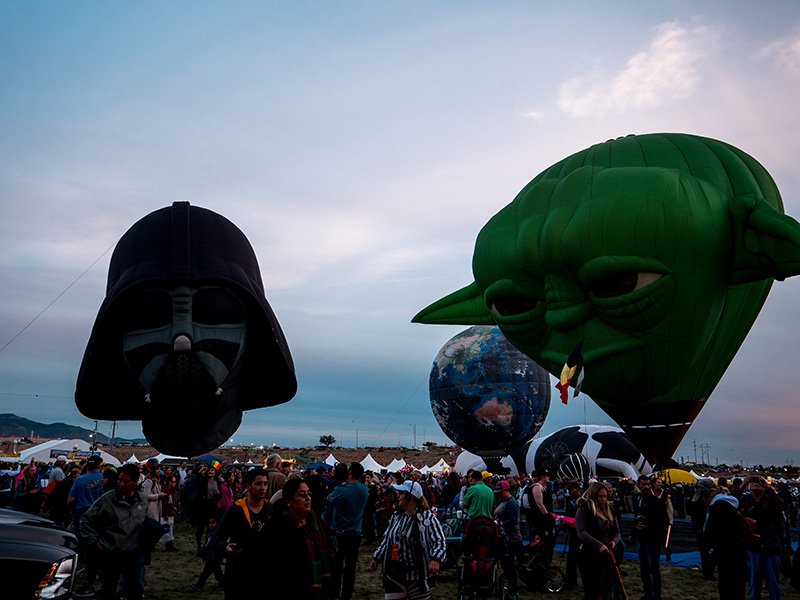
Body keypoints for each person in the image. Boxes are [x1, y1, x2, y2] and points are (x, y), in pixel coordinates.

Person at [80, 463, 147, 600]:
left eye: (126, 481)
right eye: (119, 480)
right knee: (108, 591)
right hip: (111, 553)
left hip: (133, 553)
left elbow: (144, 520)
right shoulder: (107, 499)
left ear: (135, 482)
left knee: (136, 590)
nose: (121, 484)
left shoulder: (142, 500)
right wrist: (95, 542)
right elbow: (85, 521)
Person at [371, 480, 447, 600]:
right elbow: (387, 539)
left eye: (401, 493)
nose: (397, 495)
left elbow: (440, 540)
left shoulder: (428, 518)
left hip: (418, 576)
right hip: (395, 573)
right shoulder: (396, 517)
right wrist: (377, 557)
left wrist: (435, 559)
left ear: (409, 496)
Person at [266, 478, 333, 599]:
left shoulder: (317, 521)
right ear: (288, 501)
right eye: (302, 495)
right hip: (292, 589)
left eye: (309, 494)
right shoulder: (278, 526)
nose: (307, 498)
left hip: (318, 586)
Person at [213, 467, 271, 599]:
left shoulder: (270, 509)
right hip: (239, 572)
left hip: (264, 572)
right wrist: (225, 547)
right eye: (258, 484)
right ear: (248, 486)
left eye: (265, 484)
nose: (262, 488)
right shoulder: (236, 509)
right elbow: (217, 536)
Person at [326, 462, 369, 600]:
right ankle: (347, 594)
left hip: (339, 533)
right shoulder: (364, 489)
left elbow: (329, 500)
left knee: (336, 567)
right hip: (355, 534)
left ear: (350, 473)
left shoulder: (340, 490)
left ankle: (334, 593)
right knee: (351, 567)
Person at [739, 475, 786, 600]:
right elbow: (732, 502)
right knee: (754, 583)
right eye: (753, 482)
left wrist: (768, 487)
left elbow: (782, 506)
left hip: (771, 546)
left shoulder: (770, 500)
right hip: (753, 546)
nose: (756, 484)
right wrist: (743, 484)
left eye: (759, 482)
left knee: (773, 584)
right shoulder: (746, 499)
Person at [700, 479, 748, 600]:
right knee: (738, 590)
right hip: (738, 554)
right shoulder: (730, 504)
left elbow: (709, 533)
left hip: (726, 555)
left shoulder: (717, 507)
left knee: (727, 589)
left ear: (707, 497)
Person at [576, 481, 621, 600]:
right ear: (594, 495)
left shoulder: (609, 509)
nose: (603, 499)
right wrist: (598, 545)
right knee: (592, 590)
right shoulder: (585, 509)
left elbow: (617, 532)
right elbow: (581, 532)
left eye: (605, 496)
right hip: (589, 555)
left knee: (606, 588)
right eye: (600, 496)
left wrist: (614, 541)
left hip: (607, 555)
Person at [629, 474, 668, 600]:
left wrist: (648, 526)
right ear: (638, 485)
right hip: (642, 539)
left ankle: (656, 595)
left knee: (653, 568)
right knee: (644, 568)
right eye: (643, 484)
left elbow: (664, 521)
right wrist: (633, 534)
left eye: (648, 484)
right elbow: (637, 519)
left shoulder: (656, 502)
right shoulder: (638, 500)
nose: (646, 487)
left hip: (653, 540)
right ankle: (648, 593)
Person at [494, 480, 522, 598]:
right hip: (504, 539)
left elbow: (513, 520)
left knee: (510, 567)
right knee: (507, 566)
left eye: (501, 492)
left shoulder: (511, 503)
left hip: (511, 539)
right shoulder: (503, 501)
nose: (499, 494)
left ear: (507, 490)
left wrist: (500, 523)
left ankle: (512, 592)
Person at [191, 510, 225, 591]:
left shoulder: (216, 534)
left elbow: (208, 544)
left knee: (207, 571)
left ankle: (200, 584)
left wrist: (202, 551)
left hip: (213, 556)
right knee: (217, 570)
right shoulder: (211, 533)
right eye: (210, 523)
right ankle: (222, 583)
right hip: (212, 556)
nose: (211, 525)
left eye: (213, 523)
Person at [563, 481, 582, 590]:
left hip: (582, 534)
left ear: (577, 489)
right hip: (573, 533)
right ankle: (570, 581)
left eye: (571, 490)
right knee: (571, 559)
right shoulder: (570, 502)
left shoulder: (583, 501)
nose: (569, 492)